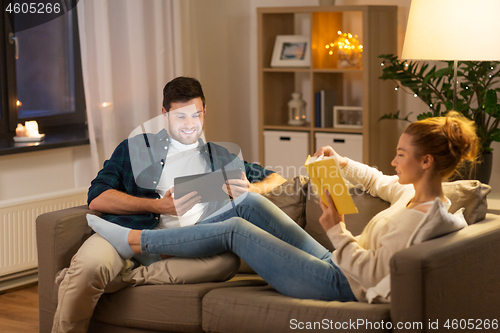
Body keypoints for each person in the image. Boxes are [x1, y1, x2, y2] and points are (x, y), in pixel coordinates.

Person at [88, 111, 477, 303]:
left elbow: (371, 275)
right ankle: (147, 236)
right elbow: (379, 181)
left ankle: (136, 241)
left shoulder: (420, 223)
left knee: (236, 232)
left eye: (401, 154)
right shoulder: (418, 195)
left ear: (426, 162)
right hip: (334, 263)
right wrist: (339, 163)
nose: (394, 161)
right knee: (248, 201)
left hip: (340, 285)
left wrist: (336, 228)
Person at [52, 76, 286, 333]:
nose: (189, 125)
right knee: (89, 268)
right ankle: (90, 277)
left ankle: (124, 278)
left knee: (227, 262)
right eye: (180, 116)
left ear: (204, 112)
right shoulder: (135, 148)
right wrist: (157, 207)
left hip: (182, 249)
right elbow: (97, 197)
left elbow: (276, 178)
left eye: (195, 115)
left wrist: (252, 189)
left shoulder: (220, 156)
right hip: (125, 234)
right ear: (165, 114)